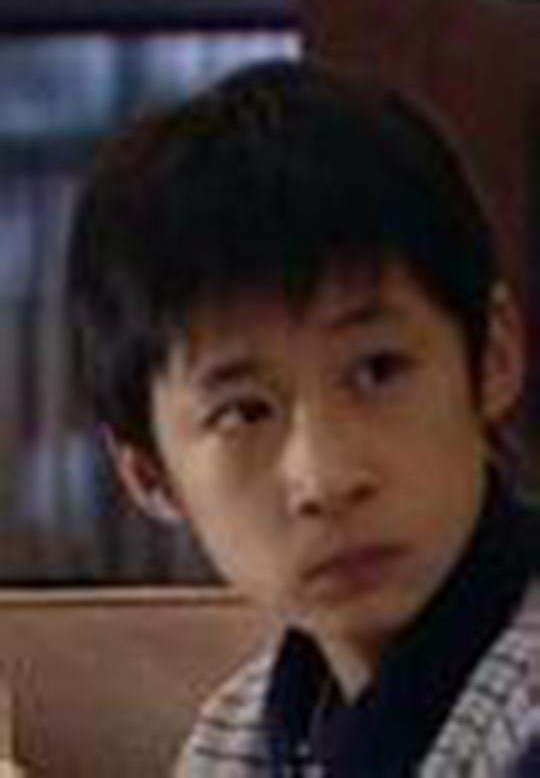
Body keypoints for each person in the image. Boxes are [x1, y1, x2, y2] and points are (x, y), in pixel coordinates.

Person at [65, 60, 540, 776]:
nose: (325, 477)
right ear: (149, 475)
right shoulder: (238, 732)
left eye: (378, 370)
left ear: (494, 355)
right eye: (244, 412)